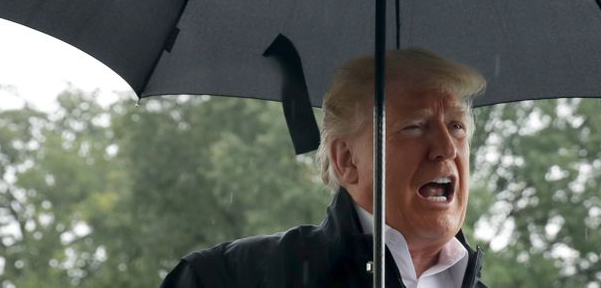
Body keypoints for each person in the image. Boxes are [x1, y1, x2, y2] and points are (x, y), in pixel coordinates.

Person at [160, 48, 490, 288]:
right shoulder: (223, 279)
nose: (447, 148)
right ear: (347, 160)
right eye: (415, 126)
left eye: (457, 127)